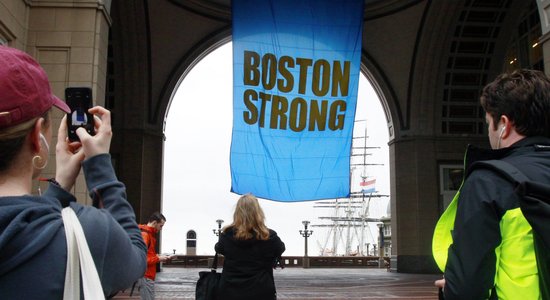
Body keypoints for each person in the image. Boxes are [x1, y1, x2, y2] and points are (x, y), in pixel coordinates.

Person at [0, 46, 147, 297]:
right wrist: (100, 165)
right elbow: (135, 254)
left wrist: (58, 189)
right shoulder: (89, 232)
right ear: (37, 136)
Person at [432, 69, 550, 299]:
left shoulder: (489, 182)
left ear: (504, 124)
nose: (488, 131)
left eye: (488, 123)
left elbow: (467, 287)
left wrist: (450, 288)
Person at [215, 194, 286, 300]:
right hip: (261, 291)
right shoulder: (269, 236)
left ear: (237, 213)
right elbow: (281, 248)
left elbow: (218, 248)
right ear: (258, 213)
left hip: (230, 291)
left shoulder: (227, 235)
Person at [138, 212, 174, 300]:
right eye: (161, 226)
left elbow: (147, 254)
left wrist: (158, 256)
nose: (161, 229)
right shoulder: (145, 235)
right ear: (154, 223)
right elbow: (141, 259)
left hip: (147, 276)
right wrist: (158, 258)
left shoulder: (148, 234)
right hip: (146, 276)